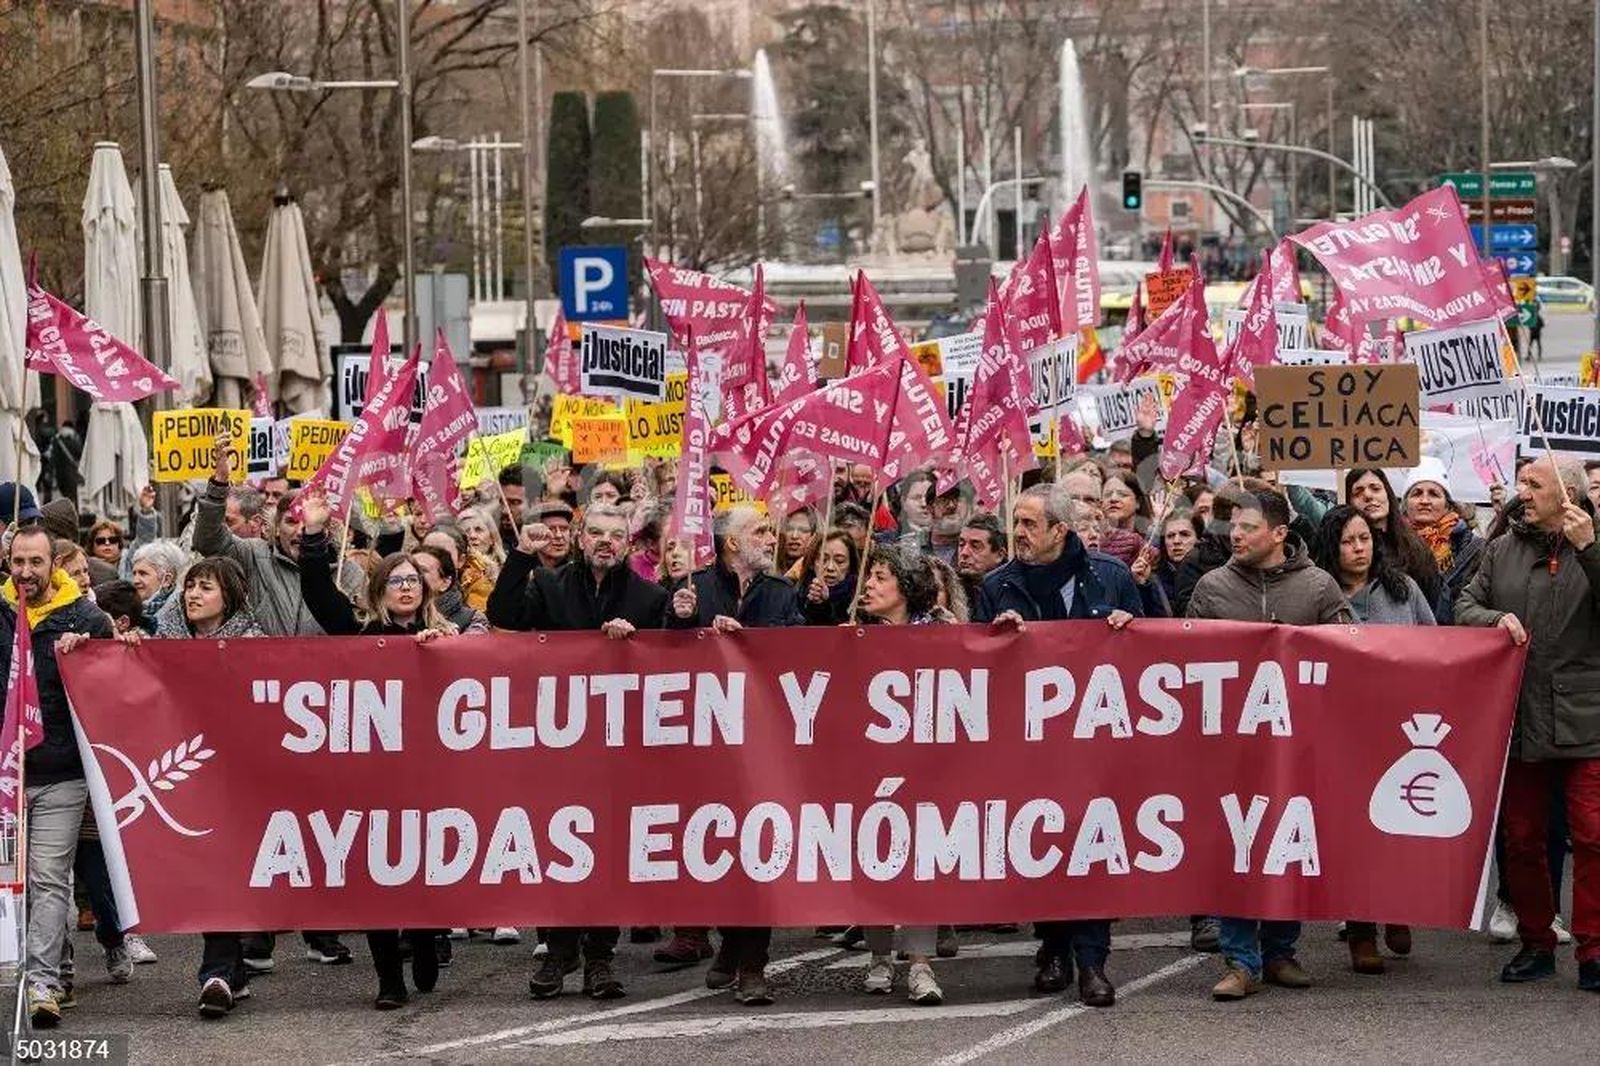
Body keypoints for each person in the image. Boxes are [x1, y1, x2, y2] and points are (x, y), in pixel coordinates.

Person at [487, 502, 680, 1000]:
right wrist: (520, 556)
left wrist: (638, 643)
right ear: (579, 536)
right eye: (596, 531)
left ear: (628, 542)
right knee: (560, 844)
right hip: (559, 744)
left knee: (608, 850)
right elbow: (502, 616)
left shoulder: (649, 596)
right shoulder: (550, 585)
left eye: (615, 534)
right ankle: (559, 948)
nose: (605, 541)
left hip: (620, 747)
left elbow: (672, 663)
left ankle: (599, 955)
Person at [194, 434, 360, 969]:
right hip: (264, 707)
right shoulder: (251, 557)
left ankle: (321, 928)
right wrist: (218, 484)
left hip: (327, 709)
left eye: (305, 518)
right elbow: (208, 538)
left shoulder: (347, 570)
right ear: (273, 525)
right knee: (266, 820)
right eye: (288, 518)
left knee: (320, 821)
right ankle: (260, 932)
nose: (296, 526)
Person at [973, 483, 1140, 1009]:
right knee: (1043, 842)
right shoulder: (997, 585)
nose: (1019, 533)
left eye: (1029, 524)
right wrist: (997, 640)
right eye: (1016, 523)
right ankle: (1052, 948)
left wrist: (1130, 627)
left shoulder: (1110, 577)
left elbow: (1148, 649)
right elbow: (973, 666)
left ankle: (1092, 961)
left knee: (1090, 845)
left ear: (1060, 531)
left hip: (1095, 740)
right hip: (1030, 743)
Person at [1186, 488, 1351, 1001]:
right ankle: (1240, 960)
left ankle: (1281, 951)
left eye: (1248, 527)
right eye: (1232, 526)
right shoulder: (1212, 587)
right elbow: (1182, 654)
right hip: (1231, 743)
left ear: (1280, 534)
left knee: (1287, 842)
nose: (1235, 535)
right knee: (1237, 843)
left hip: (1296, 742)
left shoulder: (1319, 587)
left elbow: (1350, 653)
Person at [296, 492, 457, 1009]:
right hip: (372, 777)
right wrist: (315, 533)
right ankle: (389, 979)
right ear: (379, 590)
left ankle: (427, 938)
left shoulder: (450, 638)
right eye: (396, 581)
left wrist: (447, 655)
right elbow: (317, 592)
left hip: (430, 775)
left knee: (427, 868)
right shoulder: (359, 633)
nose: (406, 587)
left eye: (413, 580)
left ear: (425, 590)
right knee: (379, 877)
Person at [1456, 455, 1600, 993]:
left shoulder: (1594, 542)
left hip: (1587, 719)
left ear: (1568, 495)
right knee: (1521, 839)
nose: (1522, 491)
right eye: (1521, 482)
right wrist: (1495, 618)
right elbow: (1463, 604)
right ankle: (1536, 941)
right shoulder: (1501, 549)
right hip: (1520, 717)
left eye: (1534, 484)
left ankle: (1594, 949)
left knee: (1593, 838)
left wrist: (1590, 550)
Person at [662, 506, 803, 1006]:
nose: (771, 537)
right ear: (732, 543)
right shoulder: (694, 588)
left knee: (758, 847)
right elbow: (663, 657)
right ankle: (730, 943)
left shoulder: (782, 593)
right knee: (719, 847)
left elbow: (803, 650)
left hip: (764, 742)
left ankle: (752, 964)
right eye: (759, 531)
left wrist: (753, 642)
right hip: (706, 743)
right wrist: (679, 620)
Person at [1313, 505, 1435, 973]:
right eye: (1348, 541)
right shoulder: (1318, 593)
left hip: (1398, 726)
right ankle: (1361, 930)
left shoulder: (1403, 589)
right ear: (1332, 548)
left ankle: (1397, 905)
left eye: (1364, 538)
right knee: (1352, 830)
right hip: (1342, 731)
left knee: (1398, 819)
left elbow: (1434, 645)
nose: (1359, 548)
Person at [3, 526, 114, 1028]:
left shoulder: (86, 618)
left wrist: (94, 649)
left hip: (61, 774)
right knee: (14, 884)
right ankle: (55, 965)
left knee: (48, 879)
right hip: (6, 777)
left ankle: (42, 984)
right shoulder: (0, 613)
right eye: (18, 561)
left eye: (36, 562)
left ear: (54, 564)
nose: (26, 572)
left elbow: (119, 675)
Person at [147, 559, 265, 1014]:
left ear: (229, 596)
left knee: (227, 870)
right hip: (188, 775)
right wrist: (128, 649)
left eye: (205, 587)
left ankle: (217, 973)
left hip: (239, 776)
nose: (193, 595)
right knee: (208, 870)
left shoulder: (256, 646)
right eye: (190, 586)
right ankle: (228, 972)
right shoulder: (164, 642)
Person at [855, 544, 954, 1006]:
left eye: (880, 577)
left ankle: (919, 964)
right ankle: (878, 957)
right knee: (874, 856)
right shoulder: (855, 637)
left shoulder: (942, 635)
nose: (869, 585)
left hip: (927, 765)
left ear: (906, 587)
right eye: (870, 576)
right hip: (871, 765)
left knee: (921, 861)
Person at [1344, 468, 1444, 611]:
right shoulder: (1346, 552)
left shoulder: (1416, 547)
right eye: (1358, 492)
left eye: (1375, 489)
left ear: (1388, 495)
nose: (1368, 496)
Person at [1398, 458, 1484, 623]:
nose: (1424, 501)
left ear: (1448, 505)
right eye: (1417, 493)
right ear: (1405, 504)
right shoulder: (1390, 543)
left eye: (1433, 494)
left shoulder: (1473, 548)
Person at [411, 547, 489, 634]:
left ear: (445, 582)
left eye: (422, 570)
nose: (413, 576)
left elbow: (472, 642)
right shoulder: (401, 617)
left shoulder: (472, 620)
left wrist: (442, 638)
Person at [800, 530, 860, 625]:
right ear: (812, 563)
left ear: (850, 566)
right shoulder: (795, 597)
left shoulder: (861, 601)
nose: (830, 568)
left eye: (839, 561)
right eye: (823, 560)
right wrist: (818, 605)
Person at [129, 540, 185, 630]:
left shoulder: (182, 613)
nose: (135, 581)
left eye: (143, 574)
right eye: (134, 574)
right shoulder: (129, 608)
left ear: (166, 580)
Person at [955, 512, 1007, 606]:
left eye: (975, 546)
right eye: (961, 545)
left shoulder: (1010, 593)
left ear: (999, 555)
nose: (964, 553)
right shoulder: (948, 590)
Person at [528, 500, 575, 571]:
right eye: (551, 529)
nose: (559, 535)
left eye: (563, 529)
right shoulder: (523, 567)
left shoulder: (579, 570)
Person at [776, 507, 819, 578]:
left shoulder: (818, 575)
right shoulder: (769, 566)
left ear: (813, 536)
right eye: (789, 529)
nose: (794, 536)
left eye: (803, 530)